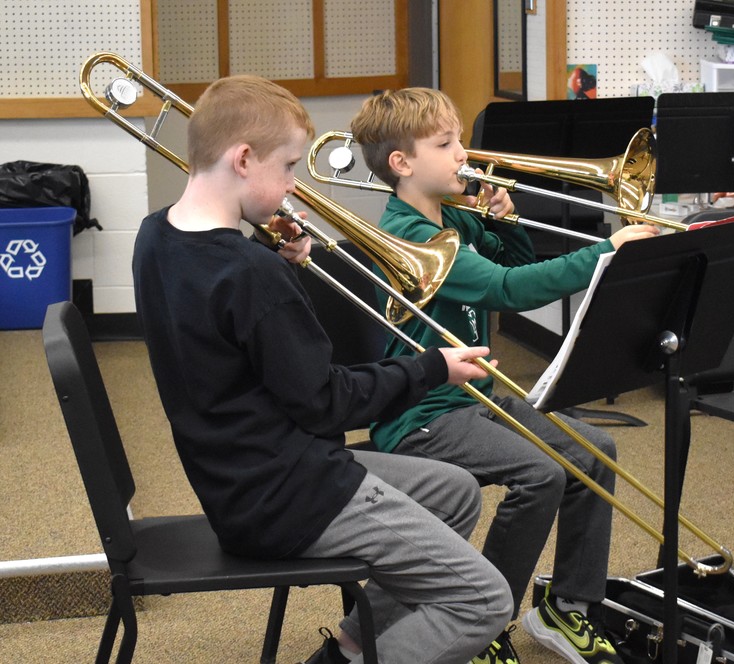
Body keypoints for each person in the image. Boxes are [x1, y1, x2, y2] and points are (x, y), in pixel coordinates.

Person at [131, 75, 514, 664]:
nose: (291, 187)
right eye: (286, 168)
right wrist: (431, 368)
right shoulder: (252, 276)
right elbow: (327, 403)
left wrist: (273, 260)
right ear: (242, 159)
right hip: (293, 494)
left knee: (456, 492)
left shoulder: (156, 234)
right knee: (484, 602)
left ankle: (350, 646)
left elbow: (231, 331)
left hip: (240, 477)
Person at [350, 88, 659, 664]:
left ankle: (567, 608)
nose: (464, 154)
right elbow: (509, 290)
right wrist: (606, 250)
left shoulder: (450, 216)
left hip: (476, 400)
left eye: (460, 140)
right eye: (447, 144)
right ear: (402, 163)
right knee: (543, 474)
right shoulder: (410, 235)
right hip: (424, 414)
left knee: (597, 452)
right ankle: (487, 621)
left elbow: (510, 264)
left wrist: (507, 219)